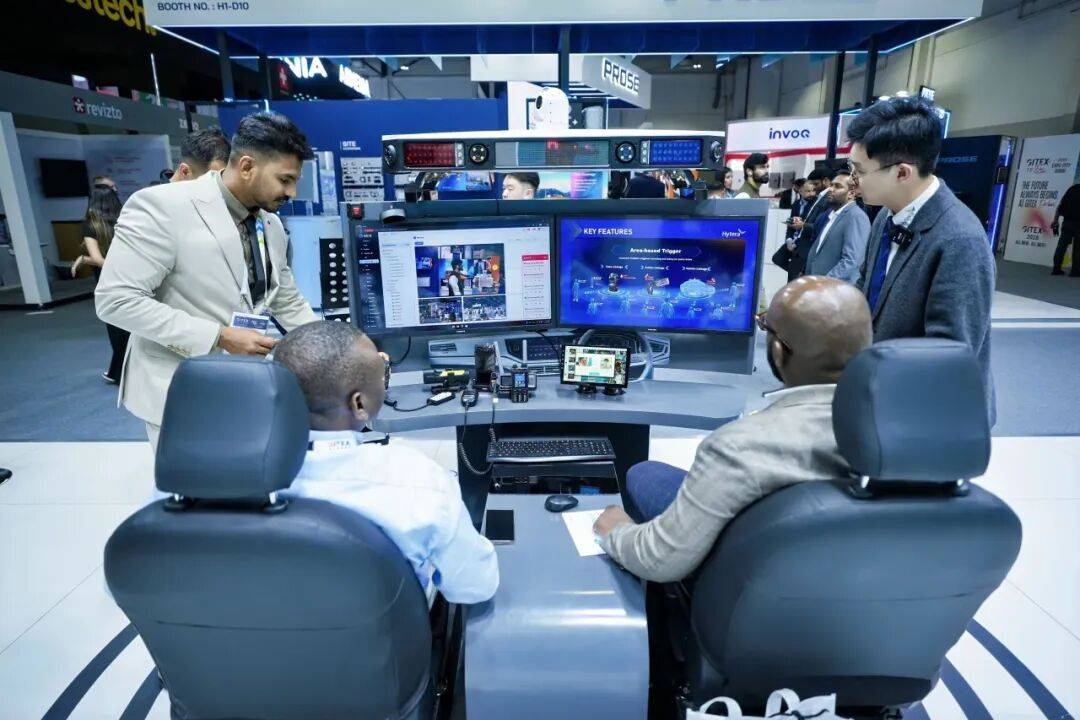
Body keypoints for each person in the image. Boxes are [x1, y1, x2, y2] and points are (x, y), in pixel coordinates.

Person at [593, 277, 872, 582]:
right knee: (644, 472)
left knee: (635, 480)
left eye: (764, 325)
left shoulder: (740, 445)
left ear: (777, 351)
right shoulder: (897, 429)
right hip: (847, 564)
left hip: (749, 567)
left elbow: (658, 559)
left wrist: (616, 531)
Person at [96, 111, 320, 452]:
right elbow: (116, 300)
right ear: (247, 166)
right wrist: (218, 336)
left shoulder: (270, 224)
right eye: (285, 179)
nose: (292, 191)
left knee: (246, 476)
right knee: (196, 484)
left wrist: (338, 350)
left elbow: (286, 299)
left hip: (245, 387)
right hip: (181, 391)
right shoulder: (162, 207)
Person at [274, 321, 499, 604]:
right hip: (389, 630)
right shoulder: (420, 482)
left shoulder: (235, 480)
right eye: (383, 376)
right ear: (358, 404)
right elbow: (476, 587)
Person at [848, 97, 995, 424]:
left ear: (902, 172)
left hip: (930, 419)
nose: (852, 179)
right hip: (882, 396)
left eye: (859, 171)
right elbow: (867, 288)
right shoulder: (886, 215)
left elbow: (949, 354)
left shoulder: (959, 240)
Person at [72, 185, 129, 383]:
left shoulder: (91, 226)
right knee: (131, 328)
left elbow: (98, 259)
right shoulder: (125, 222)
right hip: (131, 279)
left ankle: (119, 373)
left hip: (109, 283)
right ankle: (118, 371)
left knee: (116, 328)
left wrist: (85, 259)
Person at [804, 170, 871, 284]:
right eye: (831, 185)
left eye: (838, 186)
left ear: (851, 193)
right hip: (817, 285)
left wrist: (824, 283)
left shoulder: (855, 216)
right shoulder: (833, 215)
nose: (831, 189)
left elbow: (852, 261)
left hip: (831, 288)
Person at [1050, 181, 1080, 277]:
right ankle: (1075, 271)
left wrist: (1055, 220)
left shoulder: (1072, 189)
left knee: (1061, 246)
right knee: (1078, 249)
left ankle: (1056, 269)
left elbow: (1060, 206)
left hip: (1067, 223)